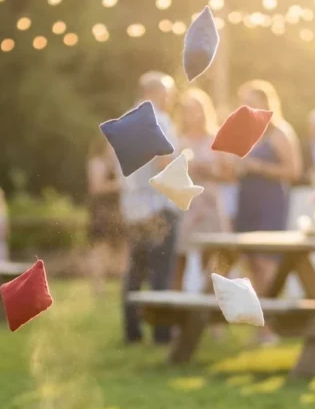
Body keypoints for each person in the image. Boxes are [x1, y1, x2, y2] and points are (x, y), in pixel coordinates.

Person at [120, 71, 178, 344]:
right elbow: (163, 162)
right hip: (157, 206)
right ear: (156, 93)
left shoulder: (127, 119)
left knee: (135, 271)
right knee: (160, 272)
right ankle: (162, 332)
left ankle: (132, 331)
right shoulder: (159, 119)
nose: (171, 99)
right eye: (169, 93)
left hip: (133, 207)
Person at [235, 79, 301, 297]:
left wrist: (259, 167)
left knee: (266, 261)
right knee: (251, 262)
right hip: (247, 200)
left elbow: (294, 171)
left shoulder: (280, 132)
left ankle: (270, 321)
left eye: (251, 102)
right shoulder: (246, 133)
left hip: (270, 203)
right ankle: (261, 320)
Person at [174, 88, 232, 290]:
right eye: (187, 110)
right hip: (185, 205)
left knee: (211, 260)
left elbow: (229, 175)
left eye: (196, 109)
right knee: (179, 258)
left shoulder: (215, 138)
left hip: (209, 202)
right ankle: (177, 316)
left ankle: (209, 311)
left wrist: (207, 171)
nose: (192, 114)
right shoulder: (177, 139)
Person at [86, 133, 123, 294]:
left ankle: (122, 285)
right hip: (101, 211)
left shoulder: (118, 164)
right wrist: (119, 185)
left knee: (122, 248)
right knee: (100, 249)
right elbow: (96, 187)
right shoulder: (96, 163)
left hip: (118, 211)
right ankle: (98, 287)